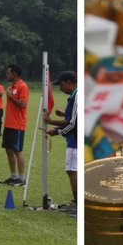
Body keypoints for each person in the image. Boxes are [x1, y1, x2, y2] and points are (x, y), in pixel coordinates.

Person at [44, 70, 78, 217]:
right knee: (72, 170)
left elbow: (73, 123)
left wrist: (56, 129)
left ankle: (79, 205)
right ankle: (77, 203)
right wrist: (64, 114)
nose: (60, 88)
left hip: (75, 140)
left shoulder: (77, 96)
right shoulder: (74, 96)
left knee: (72, 171)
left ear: (68, 83)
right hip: (73, 139)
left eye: (61, 84)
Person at [0, 64, 29, 186]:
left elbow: (23, 104)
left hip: (18, 125)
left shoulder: (22, 86)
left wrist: (11, 97)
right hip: (9, 124)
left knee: (17, 151)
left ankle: (21, 178)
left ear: (14, 74)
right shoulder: (11, 87)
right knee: (8, 150)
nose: (6, 75)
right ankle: (13, 176)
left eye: (8, 73)